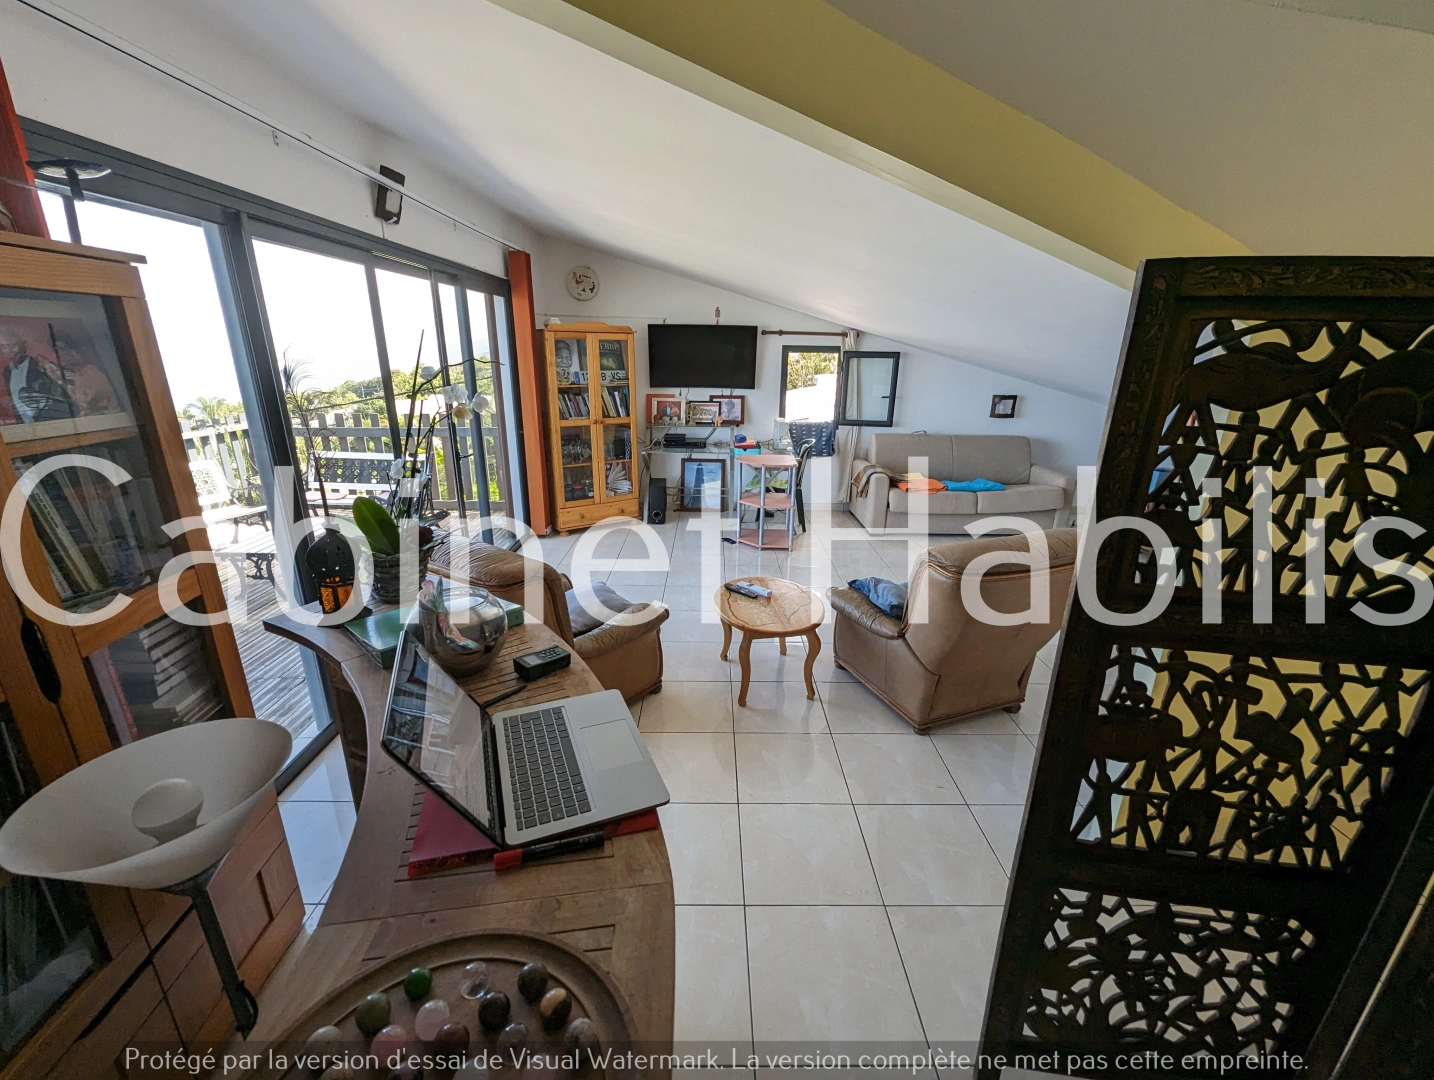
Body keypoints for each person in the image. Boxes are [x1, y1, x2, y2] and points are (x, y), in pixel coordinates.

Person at [0, 326, 76, 424]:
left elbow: (61, 396)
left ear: (23, 345)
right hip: (27, 426)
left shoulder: (39, 365)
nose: (10, 351)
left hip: (51, 422)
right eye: (4, 347)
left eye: (13, 346)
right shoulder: (7, 372)